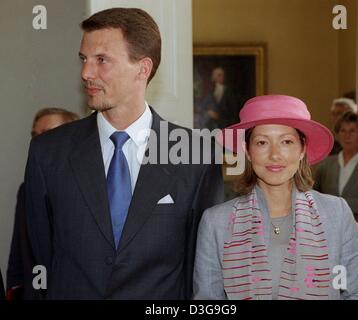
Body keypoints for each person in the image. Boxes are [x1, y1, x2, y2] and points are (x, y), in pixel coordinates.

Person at [24, 8, 223, 299]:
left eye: (101, 60)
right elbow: (38, 259)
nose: (85, 73)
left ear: (142, 69)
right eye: (84, 59)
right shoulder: (48, 152)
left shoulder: (197, 154)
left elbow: (202, 271)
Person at [193, 95, 358, 300]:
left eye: (286, 142)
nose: (275, 155)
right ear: (247, 150)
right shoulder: (216, 222)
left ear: (302, 148)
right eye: (262, 142)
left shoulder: (336, 214)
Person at [6, 108, 79, 300]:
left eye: (48, 134)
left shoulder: (96, 190)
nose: (38, 142)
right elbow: (18, 255)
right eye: (35, 135)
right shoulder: (27, 190)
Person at [314, 112, 358, 229]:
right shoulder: (326, 163)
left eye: (352, 131)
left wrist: (336, 204)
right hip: (326, 230)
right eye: (343, 131)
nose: (347, 136)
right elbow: (312, 195)